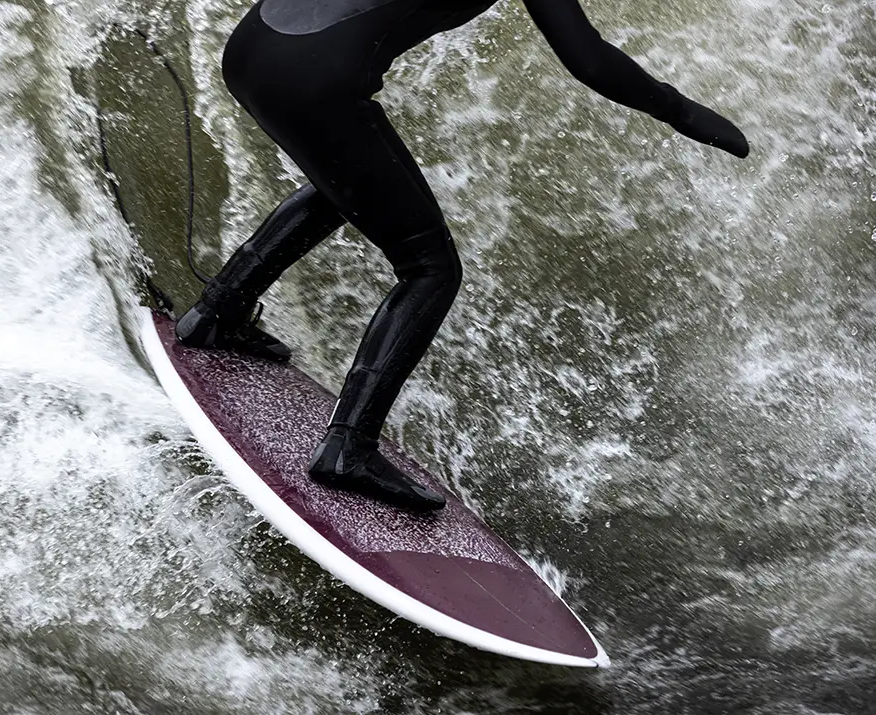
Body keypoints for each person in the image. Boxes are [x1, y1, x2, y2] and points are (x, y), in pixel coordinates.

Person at [175, 0, 749, 512]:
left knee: (348, 183)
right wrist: (685, 113)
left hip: (253, 47)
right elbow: (589, 59)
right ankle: (348, 446)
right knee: (430, 267)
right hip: (311, 75)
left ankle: (217, 314)